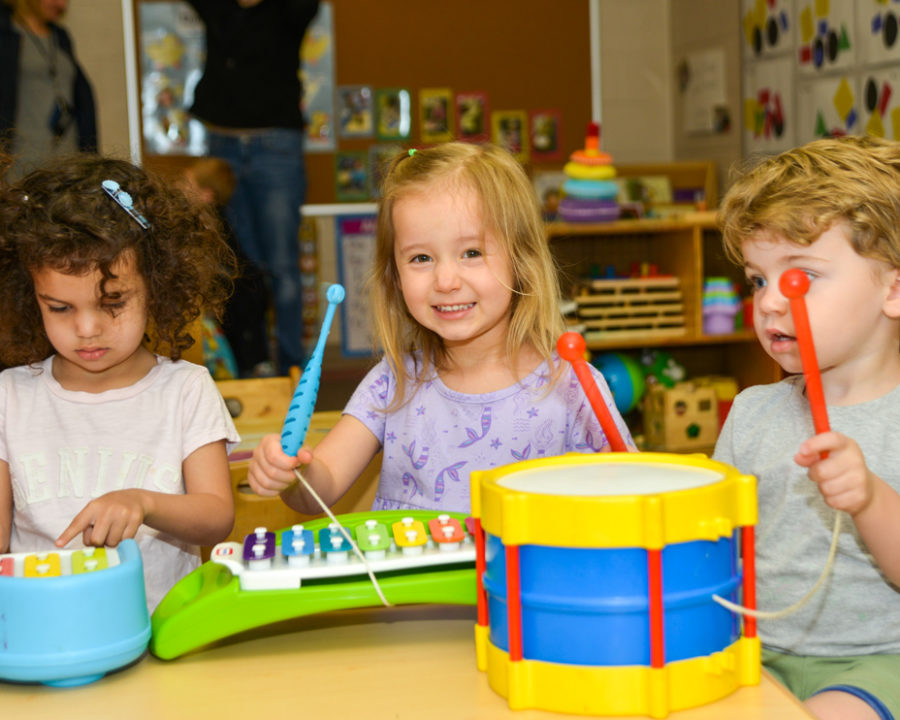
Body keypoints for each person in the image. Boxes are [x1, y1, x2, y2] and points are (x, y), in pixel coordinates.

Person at [247, 142, 635, 515]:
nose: (445, 280)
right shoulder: (392, 383)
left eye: (471, 253)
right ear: (394, 277)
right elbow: (321, 487)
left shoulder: (571, 388)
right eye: (421, 258)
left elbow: (633, 490)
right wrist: (292, 475)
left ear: (522, 261)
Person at [0, 153, 240, 611]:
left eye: (112, 302)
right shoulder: (10, 396)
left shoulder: (185, 389)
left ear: (157, 284)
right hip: (41, 628)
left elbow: (216, 516)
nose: (87, 328)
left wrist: (144, 503)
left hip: (161, 628)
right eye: (60, 308)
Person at [715, 135, 900, 720]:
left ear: (894, 289)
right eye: (757, 280)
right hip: (754, 654)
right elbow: (720, 547)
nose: (770, 302)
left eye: (800, 278)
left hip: (878, 664)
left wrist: (868, 497)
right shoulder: (752, 413)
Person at [186, 0, 320, 374]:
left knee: (281, 265)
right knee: (238, 266)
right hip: (222, 143)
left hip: (275, 144)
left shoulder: (287, 11)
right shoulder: (221, 9)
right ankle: (253, 362)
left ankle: (294, 368)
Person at [181, 157, 271, 377]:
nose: (178, 187)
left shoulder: (208, 227)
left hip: (235, 304)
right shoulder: (214, 222)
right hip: (237, 301)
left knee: (236, 360)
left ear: (206, 195)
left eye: (186, 183)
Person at [0, 0, 97, 179]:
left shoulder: (60, 37)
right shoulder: (6, 32)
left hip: (67, 159)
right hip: (20, 161)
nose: (61, 5)